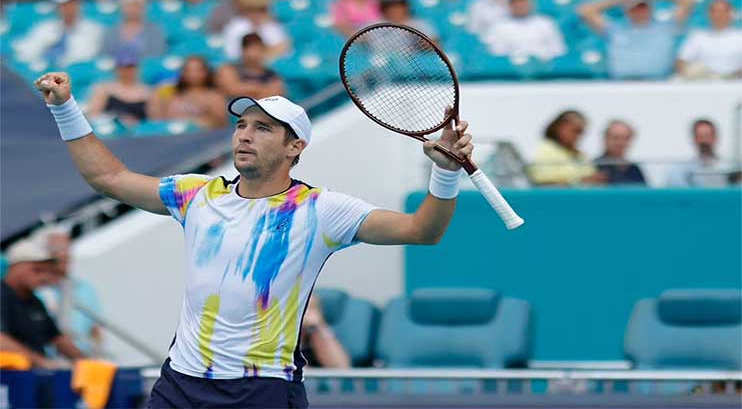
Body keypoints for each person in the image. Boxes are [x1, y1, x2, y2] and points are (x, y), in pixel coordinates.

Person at [34, 67, 473, 407]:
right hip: (180, 384)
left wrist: (446, 173)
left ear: (294, 147)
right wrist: (65, 107)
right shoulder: (196, 194)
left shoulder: (323, 210)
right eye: (242, 125)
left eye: (263, 129)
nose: (245, 135)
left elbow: (423, 231)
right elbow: (108, 177)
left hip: (260, 390)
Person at [0, 238, 86, 368]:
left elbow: (57, 338)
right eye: (37, 270)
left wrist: (88, 363)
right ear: (17, 267)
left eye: (48, 271)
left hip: (31, 378)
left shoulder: (35, 302)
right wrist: (42, 362)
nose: (44, 277)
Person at [578, 0, 695, 80]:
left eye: (643, 8)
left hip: (657, 82)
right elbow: (585, 10)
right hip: (622, 83)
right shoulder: (615, 29)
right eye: (635, 8)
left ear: (650, 9)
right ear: (627, 11)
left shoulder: (666, 27)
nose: (640, 12)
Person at [33, 225, 104, 358]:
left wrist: (96, 356)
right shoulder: (34, 291)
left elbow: (95, 330)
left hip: (83, 363)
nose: (65, 254)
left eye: (67, 247)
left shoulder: (84, 288)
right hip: (50, 365)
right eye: (58, 249)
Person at [14, 0, 104, 66]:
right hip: (46, 72)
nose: (68, 8)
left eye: (72, 3)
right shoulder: (45, 27)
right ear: (57, 7)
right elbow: (26, 51)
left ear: (79, 4)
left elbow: (86, 56)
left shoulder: (94, 29)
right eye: (63, 4)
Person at [147, 56, 228, 130]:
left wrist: (194, 123)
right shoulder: (172, 94)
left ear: (206, 72)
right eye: (188, 70)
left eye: (198, 70)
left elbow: (221, 123)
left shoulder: (215, 96)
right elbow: (158, 120)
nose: (193, 74)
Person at [529, 110, 605, 186]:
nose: (579, 136)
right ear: (560, 128)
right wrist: (580, 182)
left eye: (582, 132)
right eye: (576, 130)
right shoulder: (544, 150)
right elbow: (544, 184)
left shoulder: (580, 155)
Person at [484, 0, 566, 60]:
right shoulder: (499, 26)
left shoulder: (545, 23)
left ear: (530, 4)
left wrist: (541, 56)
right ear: (509, 5)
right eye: (516, 3)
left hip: (544, 70)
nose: (520, 6)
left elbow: (558, 48)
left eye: (523, 3)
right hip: (509, 72)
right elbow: (494, 50)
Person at [676, 0, 742, 80]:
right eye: (715, 11)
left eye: (723, 11)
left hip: (735, 84)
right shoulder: (697, 37)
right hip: (703, 85)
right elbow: (681, 61)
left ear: (731, 13)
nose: (719, 15)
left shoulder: (740, 37)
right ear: (709, 14)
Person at [87, 49, 152, 126]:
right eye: (123, 67)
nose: (127, 71)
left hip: (140, 135)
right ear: (117, 69)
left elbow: (154, 121)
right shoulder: (104, 89)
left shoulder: (147, 92)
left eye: (130, 67)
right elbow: (93, 115)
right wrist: (116, 120)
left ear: (137, 68)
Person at [222, 0, 290, 61]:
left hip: (270, 67)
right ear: (247, 10)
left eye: (262, 10)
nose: (258, 14)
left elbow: (284, 51)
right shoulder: (235, 27)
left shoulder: (272, 26)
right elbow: (232, 54)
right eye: (255, 9)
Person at [101, 0, 166, 60]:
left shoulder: (155, 30)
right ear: (121, 8)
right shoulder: (111, 30)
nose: (132, 9)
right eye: (127, 5)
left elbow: (157, 55)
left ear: (144, 8)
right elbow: (105, 55)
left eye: (136, 5)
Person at [216, 33, 285, 100]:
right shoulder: (229, 68)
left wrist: (246, 88)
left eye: (258, 49)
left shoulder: (272, 74)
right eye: (251, 48)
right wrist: (262, 89)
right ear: (243, 50)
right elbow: (232, 90)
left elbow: (277, 94)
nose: (254, 53)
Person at [666, 119, 732, 187]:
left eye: (707, 136)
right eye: (700, 137)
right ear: (694, 139)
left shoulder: (729, 167)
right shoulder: (681, 170)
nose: (704, 141)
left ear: (715, 137)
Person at [300, 295, 351, 368]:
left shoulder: (318, 336)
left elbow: (341, 367)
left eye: (311, 308)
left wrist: (318, 327)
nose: (306, 313)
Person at [594, 120, 646, 185]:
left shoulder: (634, 169)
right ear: (605, 139)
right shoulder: (594, 167)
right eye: (616, 138)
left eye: (626, 138)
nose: (620, 143)